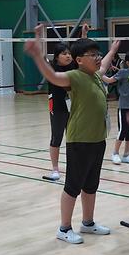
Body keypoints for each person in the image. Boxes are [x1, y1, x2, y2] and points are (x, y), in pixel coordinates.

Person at [25, 24, 119, 244]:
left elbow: (104, 65)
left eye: (98, 54)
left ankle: (88, 223)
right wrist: (38, 55)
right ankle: (64, 228)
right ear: (79, 60)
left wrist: (113, 50)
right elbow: (51, 74)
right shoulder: (74, 76)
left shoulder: (95, 76)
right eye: (93, 55)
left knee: (91, 185)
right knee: (73, 186)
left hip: (98, 139)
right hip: (80, 140)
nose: (98, 58)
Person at [44, 24, 87, 181]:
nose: (68, 56)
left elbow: (82, 49)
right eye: (64, 54)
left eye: (69, 53)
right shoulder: (52, 68)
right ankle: (55, 169)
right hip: (57, 107)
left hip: (74, 108)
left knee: (74, 138)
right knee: (56, 138)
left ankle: (74, 166)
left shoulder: (74, 67)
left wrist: (83, 34)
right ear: (56, 57)